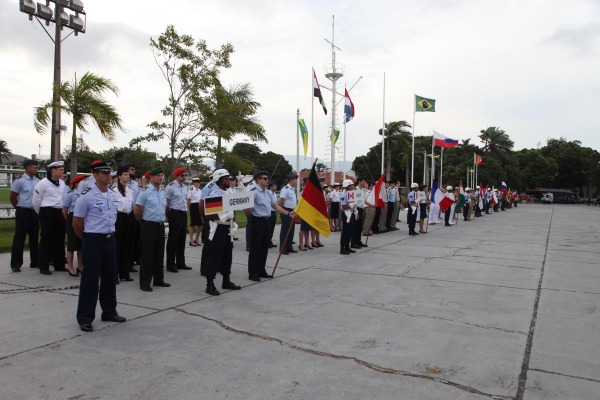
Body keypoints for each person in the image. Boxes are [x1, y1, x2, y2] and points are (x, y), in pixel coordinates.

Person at [73, 161, 126, 333]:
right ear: (95, 175)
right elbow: (77, 223)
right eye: (104, 173)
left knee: (110, 278)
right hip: (93, 239)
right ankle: (85, 317)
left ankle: (109, 311)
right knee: (90, 280)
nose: (108, 176)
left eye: (109, 173)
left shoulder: (112, 194)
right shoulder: (86, 197)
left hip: (110, 239)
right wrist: (88, 238)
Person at [244, 170, 295, 282]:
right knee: (256, 248)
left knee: (264, 248)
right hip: (257, 221)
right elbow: (246, 208)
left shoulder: (268, 193)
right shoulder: (253, 192)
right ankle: (253, 272)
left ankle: (261, 270)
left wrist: (288, 213)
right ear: (258, 180)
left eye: (267, 178)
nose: (267, 180)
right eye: (265, 178)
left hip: (266, 221)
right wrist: (251, 218)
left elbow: (276, 206)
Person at [202, 169, 241, 295]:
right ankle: (210, 283)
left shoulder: (230, 192)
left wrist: (232, 220)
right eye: (225, 179)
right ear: (220, 181)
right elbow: (209, 215)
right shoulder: (215, 194)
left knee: (227, 255)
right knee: (215, 255)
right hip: (218, 227)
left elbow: (233, 209)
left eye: (229, 178)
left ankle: (226, 280)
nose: (228, 181)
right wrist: (222, 216)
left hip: (228, 227)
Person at [134, 167, 171, 292]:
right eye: (158, 175)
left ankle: (158, 279)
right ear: (151, 178)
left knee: (159, 254)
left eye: (162, 175)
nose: (161, 177)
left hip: (160, 225)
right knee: (147, 255)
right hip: (148, 225)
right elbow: (138, 211)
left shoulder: (162, 191)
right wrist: (143, 222)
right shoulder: (145, 192)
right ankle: (145, 282)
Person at [32, 160, 67, 274]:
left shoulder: (62, 183)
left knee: (59, 239)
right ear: (53, 170)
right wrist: (40, 213)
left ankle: (59, 264)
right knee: (46, 239)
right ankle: (43, 266)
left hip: (59, 212)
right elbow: (36, 200)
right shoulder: (42, 183)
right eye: (60, 169)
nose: (63, 171)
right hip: (47, 211)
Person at [10, 159, 40, 272]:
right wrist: (17, 207)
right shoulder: (20, 181)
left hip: (34, 212)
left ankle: (35, 261)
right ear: (27, 168)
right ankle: (16, 264)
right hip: (23, 211)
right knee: (19, 238)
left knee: (34, 237)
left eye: (37, 167)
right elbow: (13, 196)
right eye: (34, 167)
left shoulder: (37, 181)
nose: (36, 169)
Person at [165, 167, 191, 273]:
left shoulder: (185, 187)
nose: (184, 177)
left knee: (181, 239)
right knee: (173, 239)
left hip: (183, 212)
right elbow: (167, 202)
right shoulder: (170, 187)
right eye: (182, 175)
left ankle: (181, 262)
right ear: (176, 176)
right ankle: (171, 264)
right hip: (175, 213)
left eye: (185, 175)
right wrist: (168, 216)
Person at [113, 166, 134, 283]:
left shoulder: (130, 190)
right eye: (125, 174)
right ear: (119, 176)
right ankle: (115, 274)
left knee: (127, 245)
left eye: (128, 174)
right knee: (117, 247)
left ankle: (125, 273)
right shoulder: (114, 190)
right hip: (118, 218)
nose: (127, 176)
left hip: (128, 216)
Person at [62, 175, 84, 277]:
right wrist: (69, 221)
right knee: (71, 245)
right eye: (81, 182)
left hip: (82, 219)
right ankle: (70, 267)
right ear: (76, 184)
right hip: (72, 218)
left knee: (81, 245)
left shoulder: (85, 194)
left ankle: (80, 266)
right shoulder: (70, 194)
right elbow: (64, 210)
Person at [279, 173, 298, 255]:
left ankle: (289, 247)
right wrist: (284, 211)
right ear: (291, 180)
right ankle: (283, 248)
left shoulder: (292, 189)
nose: (296, 181)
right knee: (285, 231)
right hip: (286, 211)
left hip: (292, 212)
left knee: (291, 231)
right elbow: (281, 201)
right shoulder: (285, 189)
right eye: (295, 180)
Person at [339, 179, 357, 255]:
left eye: (352, 185)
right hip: (346, 214)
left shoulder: (352, 193)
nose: (353, 186)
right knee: (345, 231)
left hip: (351, 213)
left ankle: (347, 246)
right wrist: (351, 205)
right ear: (347, 186)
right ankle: (342, 248)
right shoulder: (344, 195)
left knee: (350, 231)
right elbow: (343, 207)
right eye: (351, 185)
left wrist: (355, 211)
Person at [351, 177, 368, 248]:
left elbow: (363, 201)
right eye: (363, 181)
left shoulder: (362, 190)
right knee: (355, 227)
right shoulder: (355, 190)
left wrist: (368, 205)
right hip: (356, 210)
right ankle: (353, 243)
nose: (364, 183)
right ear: (359, 182)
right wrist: (356, 212)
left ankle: (358, 241)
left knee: (359, 227)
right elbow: (354, 202)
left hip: (361, 209)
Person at [187, 177, 202, 246]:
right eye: (197, 182)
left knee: (200, 224)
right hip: (193, 206)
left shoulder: (200, 190)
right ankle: (191, 240)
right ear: (194, 183)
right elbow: (188, 201)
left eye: (199, 182)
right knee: (192, 224)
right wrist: (190, 208)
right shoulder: (191, 190)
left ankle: (196, 239)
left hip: (199, 206)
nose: (199, 183)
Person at [267, 180, 278, 248]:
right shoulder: (268, 193)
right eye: (274, 186)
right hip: (270, 212)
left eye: (275, 186)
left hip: (274, 212)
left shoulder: (274, 194)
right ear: (270, 187)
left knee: (272, 228)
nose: (275, 187)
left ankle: (269, 241)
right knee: (268, 228)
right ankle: (267, 242)